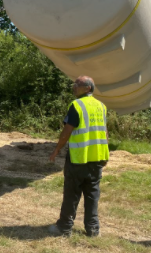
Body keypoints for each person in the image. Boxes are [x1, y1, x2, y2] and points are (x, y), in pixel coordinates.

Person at [48, 76, 109, 237]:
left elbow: (67, 131)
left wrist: (57, 150)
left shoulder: (77, 105)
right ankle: (93, 229)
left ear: (88, 88)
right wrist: (105, 154)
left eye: (77, 85)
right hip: (97, 158)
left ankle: (64, 227)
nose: (74, 87)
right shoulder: (101, 106)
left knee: (71, 193)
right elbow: (104, 132)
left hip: (78, 158)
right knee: (92, 194)